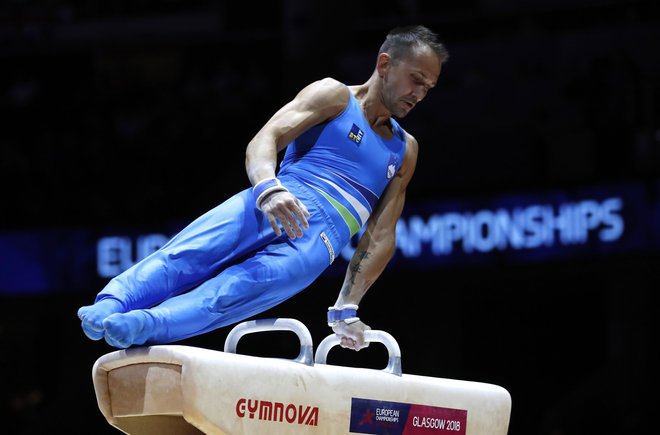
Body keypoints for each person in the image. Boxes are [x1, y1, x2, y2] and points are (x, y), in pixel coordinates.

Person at [78, 24, 448, 351]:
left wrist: (346, 307)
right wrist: (268, 189)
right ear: (385, 64)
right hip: (280, 196)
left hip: (318, 243)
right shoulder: (334, 97)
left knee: (228, 297)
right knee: (189, 254)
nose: (420, 93)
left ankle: (144, 327)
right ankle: (113, 302)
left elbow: (381, 236)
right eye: (416, 79)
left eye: (429, 87)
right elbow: (266, 138)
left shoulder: (404, 149)